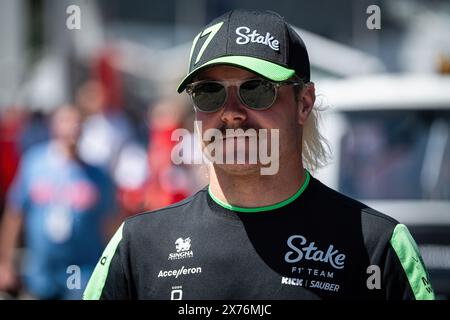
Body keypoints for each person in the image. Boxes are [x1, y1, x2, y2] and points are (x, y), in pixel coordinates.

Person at [83, 9, 434, 300]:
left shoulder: (377, 246)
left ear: (304, 103)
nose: (232, 112)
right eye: (209, 92)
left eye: (257, 89)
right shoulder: (137, 246)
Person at [0, 106, 117, 299]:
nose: (72, 127)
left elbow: (110, 223)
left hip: (83, 273)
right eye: (66, 121)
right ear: (53, 126)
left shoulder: (98, 175)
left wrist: (113, 267)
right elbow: (15, 214)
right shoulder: (34, 163)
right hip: (41, 274)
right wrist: (5, 263)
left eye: (77, 122)